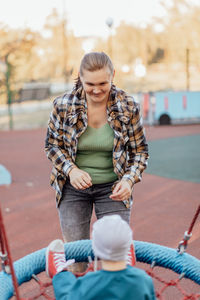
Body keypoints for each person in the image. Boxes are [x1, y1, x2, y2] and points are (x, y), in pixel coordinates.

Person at [45, 52, 149, 272]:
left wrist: (129, 181)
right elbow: (52, 146)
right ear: (80, 78)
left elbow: (140, 151)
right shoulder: (63, 105)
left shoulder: (128, 106)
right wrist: (71, 170)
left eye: (103, 83)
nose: (96, 90)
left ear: (113, 76)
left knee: (116, 255)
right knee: (76, 258)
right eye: (89, 83)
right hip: (73, 188)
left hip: (113, 188)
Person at [46, 215, 156, 300]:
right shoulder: (143, 280)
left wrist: (62, 276)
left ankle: (59, 272)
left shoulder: (89, 283)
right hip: (133, 281)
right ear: (127, 245)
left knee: (68, 294)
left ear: (96, 248)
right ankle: (127, 265)